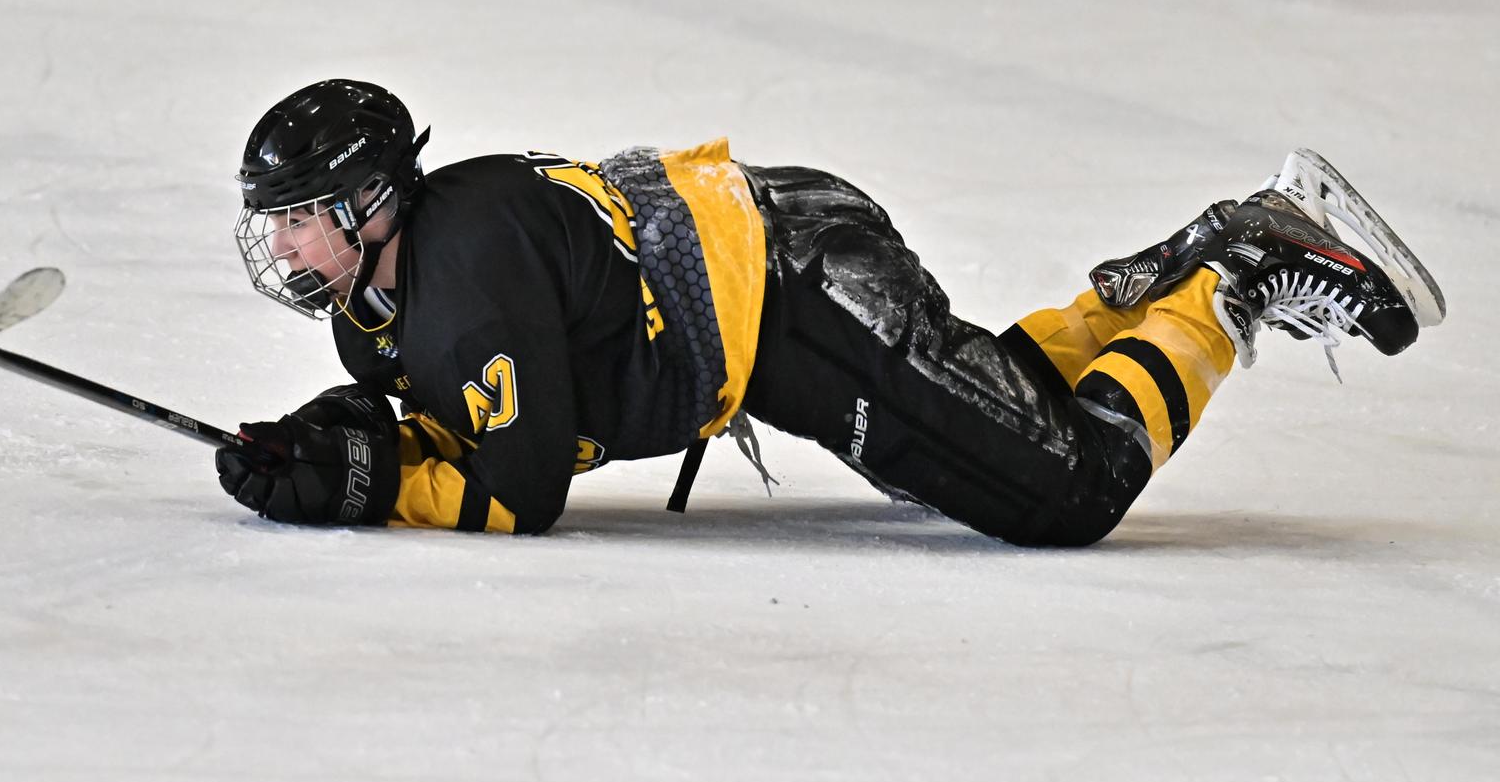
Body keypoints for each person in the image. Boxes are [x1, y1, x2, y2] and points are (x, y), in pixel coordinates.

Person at [215, 78, 1445, 544]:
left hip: (798, 289)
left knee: (1066, 490)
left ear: (371, 199)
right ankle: (1173, 272)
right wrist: (333, 439)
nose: (281, 242)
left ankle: (1233, 278)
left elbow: (520, 490)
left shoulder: (465, 263)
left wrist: (371, 484)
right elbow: (459, 414)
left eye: (298, 213)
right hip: (776, 307)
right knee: (990, 443)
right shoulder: (370, 310)